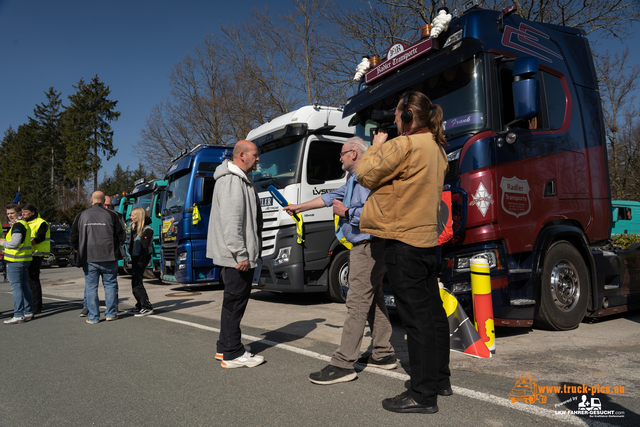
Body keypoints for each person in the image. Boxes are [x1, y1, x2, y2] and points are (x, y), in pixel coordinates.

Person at [357, 91, 451, 414]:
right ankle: (439, 379)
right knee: (433, 314)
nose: (395, 121)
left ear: (409, 116)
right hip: (427, 243)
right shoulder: (439, 150)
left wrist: (375, 147)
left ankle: (422, 395)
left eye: (398, 116)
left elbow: (364, 174)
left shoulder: (404, 145)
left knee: (416, 320)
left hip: (403, 243)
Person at [283, 136, 397, 385]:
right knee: (373, 299)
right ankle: (383, 353)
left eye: (343, 153)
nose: (340, 157)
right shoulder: (353, 179)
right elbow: (330, 197)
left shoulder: (368, 177)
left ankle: (343, 363)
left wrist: (347, 213)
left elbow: (377, 211)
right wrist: (299, 207)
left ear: (354, 154)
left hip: (368, 245)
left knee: (356, 302)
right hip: (369, 245)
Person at [206, 140, 265, 369]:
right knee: (236, 302)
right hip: (237, 257)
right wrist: (241, 254)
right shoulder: (232, 180)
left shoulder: (239, 178)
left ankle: (225, 346)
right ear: (241, 155)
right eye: (255, 154)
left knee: (232, 301)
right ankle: (232, 353)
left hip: (237, 255)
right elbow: (232, 223)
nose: (257, 158)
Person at [70, 191, 125, 324]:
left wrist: (79, 249)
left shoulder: (82, 215)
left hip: (89, 257)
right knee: (110, 285)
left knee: (91, 287)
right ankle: (111, 313)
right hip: (109, 255)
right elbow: (121, 235)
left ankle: (93, 317)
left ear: (91, 200)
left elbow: (73, 237)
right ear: (103, 200)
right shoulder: (112, 214)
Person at [2, 204, 33, 324]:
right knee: (24, 286)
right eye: (8, 213)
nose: (9, 215)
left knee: (16, 288)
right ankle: (28, 312)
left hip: (15, 260)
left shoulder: (17, 225)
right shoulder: (24, 223)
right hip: (24, 260)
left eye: (12, 213)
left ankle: (19, 314)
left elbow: (15, 242)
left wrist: (3, 243)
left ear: (18, 213)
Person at [21, 203, 49, 315]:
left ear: (32, 213)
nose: (23, 214)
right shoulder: (25, 222)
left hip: (36, 254)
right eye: (22, 212)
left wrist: (30, 242)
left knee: (33, 280)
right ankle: (30, 304)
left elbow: (41, 236)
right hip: (27, 254)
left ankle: (36, 307)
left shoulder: (40, 222)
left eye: (25, 212)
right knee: (28, 280)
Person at [128, 207, 154, 316]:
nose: (131, 217)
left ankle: (146, 306)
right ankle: (139, 305)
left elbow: (144, 247)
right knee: (135, 282)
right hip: (135, 258)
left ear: (139, 216)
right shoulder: (134, 228)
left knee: (136, 283)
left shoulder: (147, 229)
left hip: (141, 259)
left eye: (133, 215)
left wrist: (139, 261)